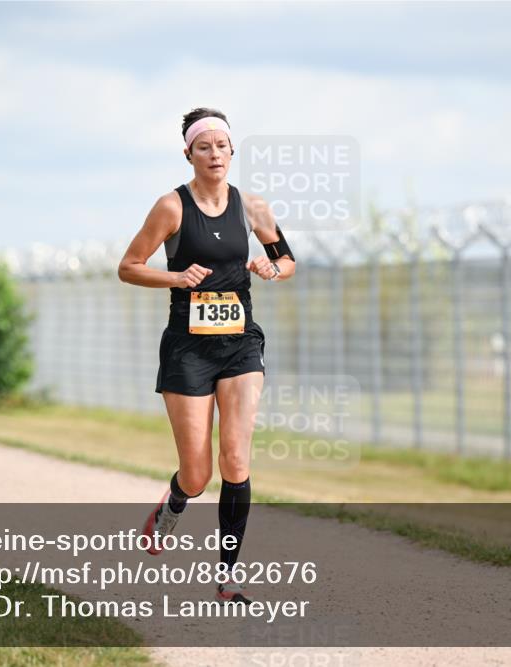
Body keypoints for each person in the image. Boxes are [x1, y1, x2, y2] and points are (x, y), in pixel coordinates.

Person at [118, 108, 295, 604]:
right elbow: (129, 267)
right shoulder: (170, 208)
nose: (214, 154)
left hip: (241, 343)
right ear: (188, 154)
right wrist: (175, 277)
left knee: (235, 456)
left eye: (222, 145)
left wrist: (271, 268)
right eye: (204, 147)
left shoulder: (252, 207)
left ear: (232, 152)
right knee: (198, 474)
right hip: (188, 348)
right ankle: (176, 499)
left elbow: (288, 260)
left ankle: (229, 574)